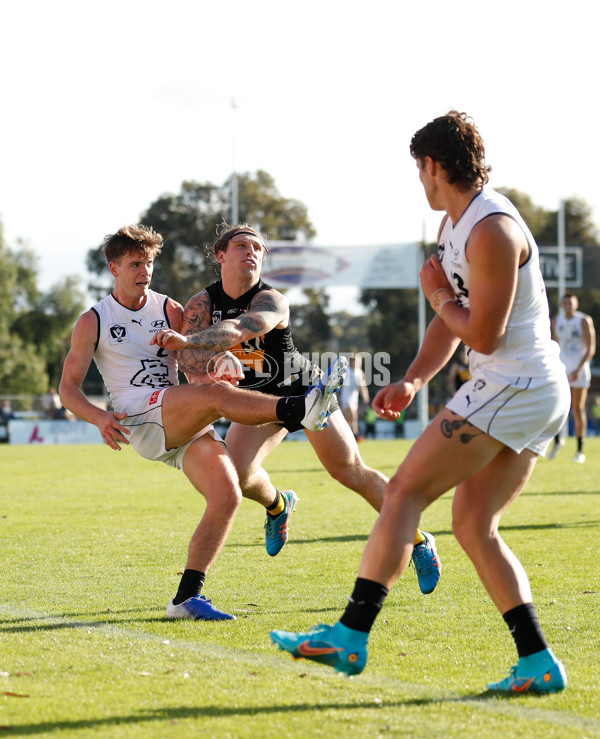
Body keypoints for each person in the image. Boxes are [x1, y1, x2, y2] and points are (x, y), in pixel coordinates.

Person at [270, 111, 570, 694]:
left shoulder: (491, 230)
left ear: (433, 165)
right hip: (526, 388)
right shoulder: (455, 228)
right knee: (474, 524)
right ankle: (537, 661)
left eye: (419, 169)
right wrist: (411, 379)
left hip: (516, 382)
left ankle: (350, 636)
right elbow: (452, 328)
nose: (419, 181)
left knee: (404, 491)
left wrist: (433, 292)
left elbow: (480, 333)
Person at [59, 225, 344, 622]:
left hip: (177, 416)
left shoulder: (171, 309)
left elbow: (195, 368)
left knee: (228, 494)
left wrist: (220, 367)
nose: (144, 271)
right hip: (141, 418)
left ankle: (186, 598)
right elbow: (67, 389)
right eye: (135, 264)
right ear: (114, 268)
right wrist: (98, 417)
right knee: (218, 400)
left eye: (150, 263)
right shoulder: (94, 320)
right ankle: (301, 409)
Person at [152, 223, 441, 595]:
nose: (251, 252)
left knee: (349, 472)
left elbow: (243, 328)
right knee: (236, 476)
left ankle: (418, 542)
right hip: (258, 404)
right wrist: (204, 360)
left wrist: (191, 341)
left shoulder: (271, 299)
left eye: (258, 248)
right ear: (221, 256)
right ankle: (278, 505)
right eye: (241, 246)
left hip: (305, 394)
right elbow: (190, 364)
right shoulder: (200, 304)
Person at [548, 294, 596, 463]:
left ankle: (580, 449)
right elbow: (554, 345)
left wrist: (578, 369)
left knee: (577, 407)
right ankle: (557, 440)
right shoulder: (557, 320)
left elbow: (591, 348)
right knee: (557, 406)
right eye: (565, 302)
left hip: (580, 370)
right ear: (562, 304)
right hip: (562, 369)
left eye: (571, 302)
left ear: (576, 304)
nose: (568, 305)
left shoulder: (583, 320)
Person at [339, 354, 370, 439]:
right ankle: (355, 434)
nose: (355, 363)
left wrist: (365, 397)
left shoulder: (360, 373)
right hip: (345, 397)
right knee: (352, 416)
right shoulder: (346, 372)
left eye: (357, 361)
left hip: (354, 398)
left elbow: (362, 387)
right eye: (354, 361)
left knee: (350, 420)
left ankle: (349, 436)